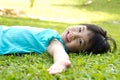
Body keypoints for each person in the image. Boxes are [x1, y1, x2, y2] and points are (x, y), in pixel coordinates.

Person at [0, 24, 117, 74]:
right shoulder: (54, 34)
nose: (74, 35)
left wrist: (61, 62)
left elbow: (58, 51)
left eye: (80, 41)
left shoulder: (55, 42)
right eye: (80, 29)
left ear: (80, 52)